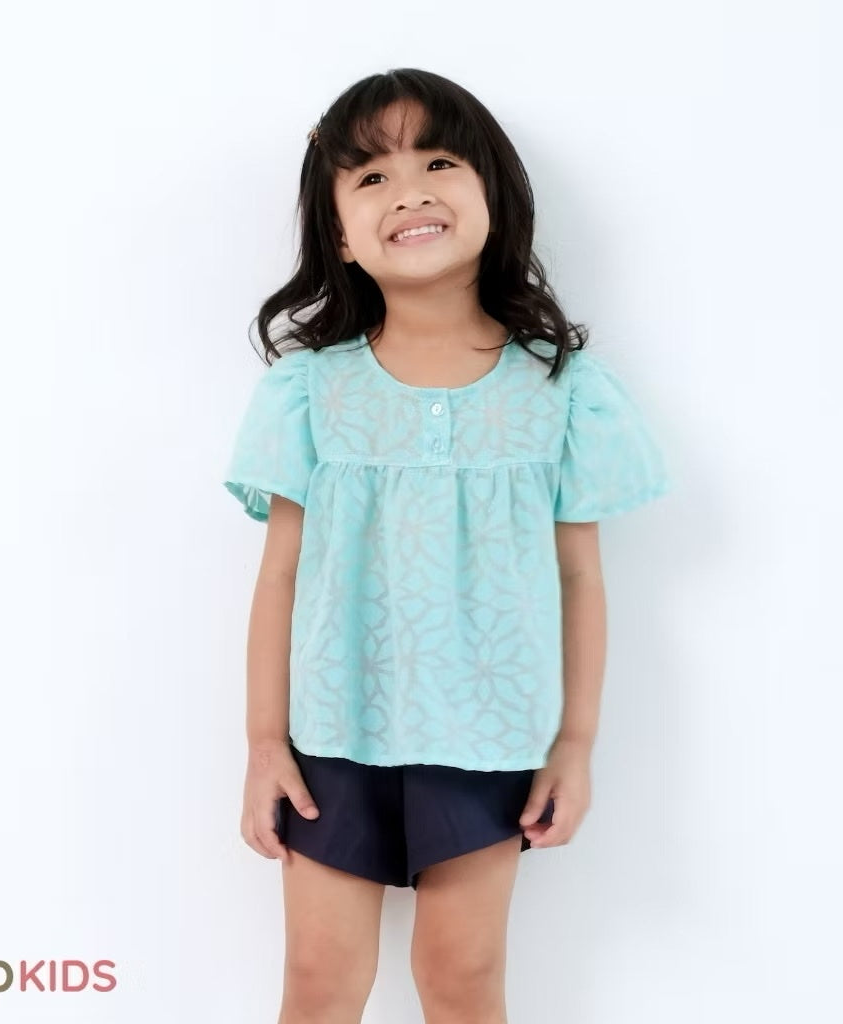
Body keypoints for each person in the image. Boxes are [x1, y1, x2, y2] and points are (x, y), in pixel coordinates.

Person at [221, 67, 671, 1024]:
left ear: (492, 196)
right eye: (371, 177)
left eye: (437, 163)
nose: (409, 192)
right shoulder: (311, 392)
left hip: (490, 735)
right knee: (319, 980)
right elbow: (281, 575)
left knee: (462, 977)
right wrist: (264, 744)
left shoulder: (560, 390)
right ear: (340, 235)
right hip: (332, 734)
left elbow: (580, 576)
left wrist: (575, 744)